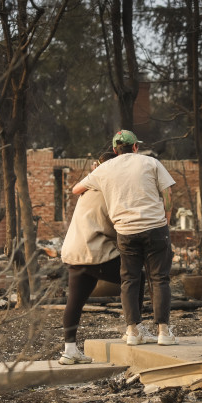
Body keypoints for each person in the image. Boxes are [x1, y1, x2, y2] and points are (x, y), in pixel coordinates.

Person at [73, 130, 177, 346]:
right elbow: (167, 194)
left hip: (126, 231)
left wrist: (95, 176)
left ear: (114, 150)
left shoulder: (105, 169)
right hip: (155, 228)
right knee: (159, 279)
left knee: (130, 279)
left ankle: (132, 331)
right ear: (135, 147)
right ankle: (164, 332)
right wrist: (166, 222)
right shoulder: (151, 162)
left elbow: (76, 189)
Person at [58, 151, 156, 365]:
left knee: (75, 300)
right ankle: (135, 329)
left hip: (75, 251)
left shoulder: (89, 187)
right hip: (95, 250)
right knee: (134, 278)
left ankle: (70, 350)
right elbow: (120, 223)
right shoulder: (109, 189)